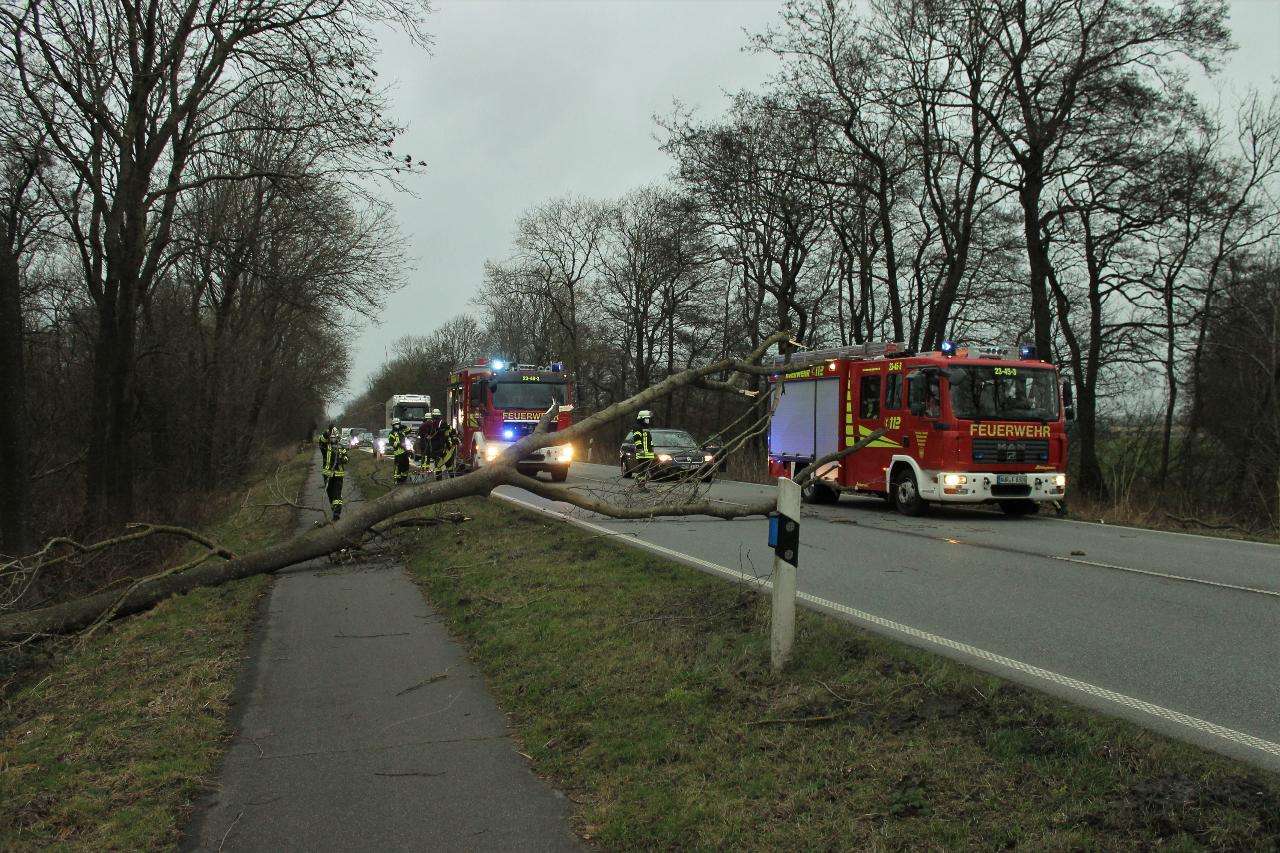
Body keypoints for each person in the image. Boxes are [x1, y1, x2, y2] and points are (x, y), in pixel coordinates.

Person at [625, 410, 656, 490]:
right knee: (643, 471)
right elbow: (637, 439)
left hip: (648, 453)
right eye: (646, 418)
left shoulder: (645, 427)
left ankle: (642, 485)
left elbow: (649, 440)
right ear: (642, 418)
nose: (648, 420)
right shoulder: (637, 427)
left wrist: (652, 448)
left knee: (645, 471)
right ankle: (641, 486)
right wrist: (639, 448)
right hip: (642, 453)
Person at [322, 431, 349, 520]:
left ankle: (337, 513)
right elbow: (322, 439)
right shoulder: (325, 447)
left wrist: (342, 459)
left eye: (334, 437)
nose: (333, 439)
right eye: (331, 437)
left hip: (338, 474)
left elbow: (347, 458)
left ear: (337, 438)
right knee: (330, 493)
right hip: (327, 474)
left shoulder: (341, 447)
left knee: (337, 493)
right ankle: (334, 508)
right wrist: (327, 432)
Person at [387, 418, 411, 485]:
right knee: (398, 468)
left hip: (405, 453)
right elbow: (391, 443)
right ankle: (397, 481)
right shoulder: (391, 433)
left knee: (406, 467)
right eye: (395, 424)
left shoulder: (402, 431)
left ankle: (404, 480)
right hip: (398, 454)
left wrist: (403, 426)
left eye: (398, 424)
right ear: (393, 425)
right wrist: (399, 444)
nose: (397, 425)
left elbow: (409, 430)